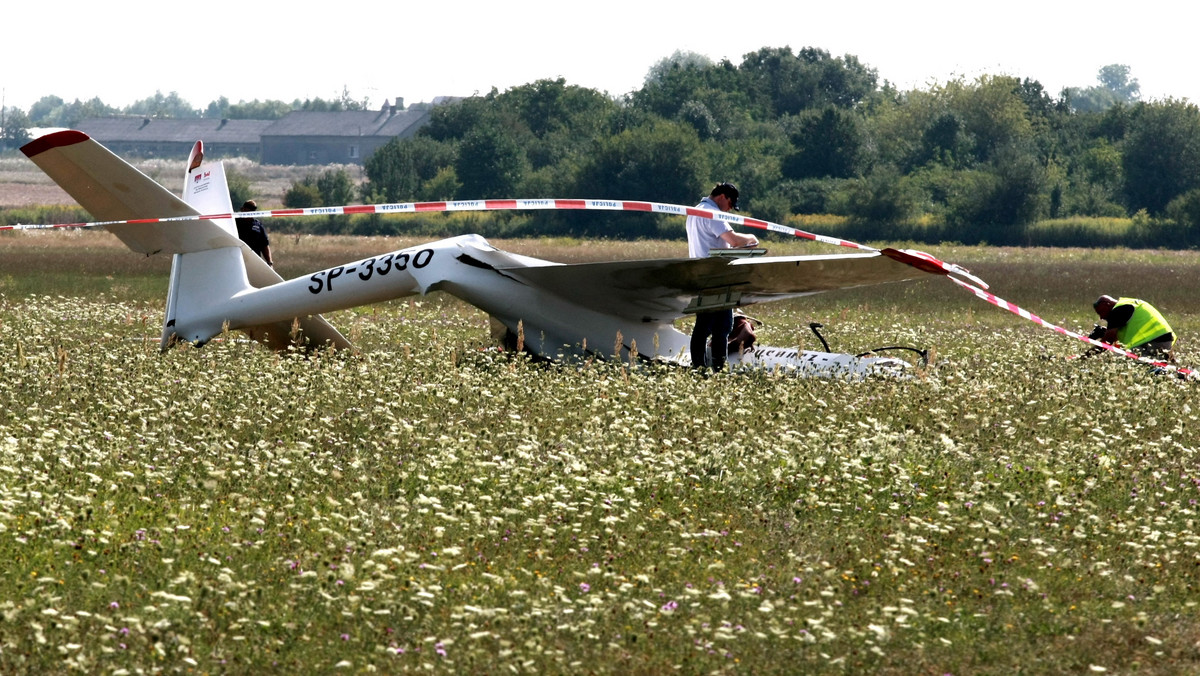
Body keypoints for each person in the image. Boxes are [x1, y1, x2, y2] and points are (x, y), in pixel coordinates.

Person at [685, 182, 759, 370]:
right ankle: (704, 368)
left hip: (704, 274)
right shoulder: (712, 214)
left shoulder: (694, 212)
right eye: (730, 204)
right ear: (723, 197)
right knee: (710, 326)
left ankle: (710, 367)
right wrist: (751, 238)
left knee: (719, 325)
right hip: (716, 275)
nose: (729, 209)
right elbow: (733, 240)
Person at [1090, 294, 1175, 358]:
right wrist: (1105, 333)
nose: (1101, 317)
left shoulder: (1118, 310)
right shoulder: (1128, 303)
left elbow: (1107, 342)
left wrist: (1085, 356)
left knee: (1122, 363)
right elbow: (1132, 327)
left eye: (1101, 312)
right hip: (1163, 339)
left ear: (1108, 304)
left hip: (1152, 342)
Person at [235, 200, 274, 267]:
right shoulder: (235, 222)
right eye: (248, 210)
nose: (250, 213)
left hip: (255, 260)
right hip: (239, 259)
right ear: (243, 210)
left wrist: (269, 262)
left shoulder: (258, 225)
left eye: (252, 211)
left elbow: (264, 245)